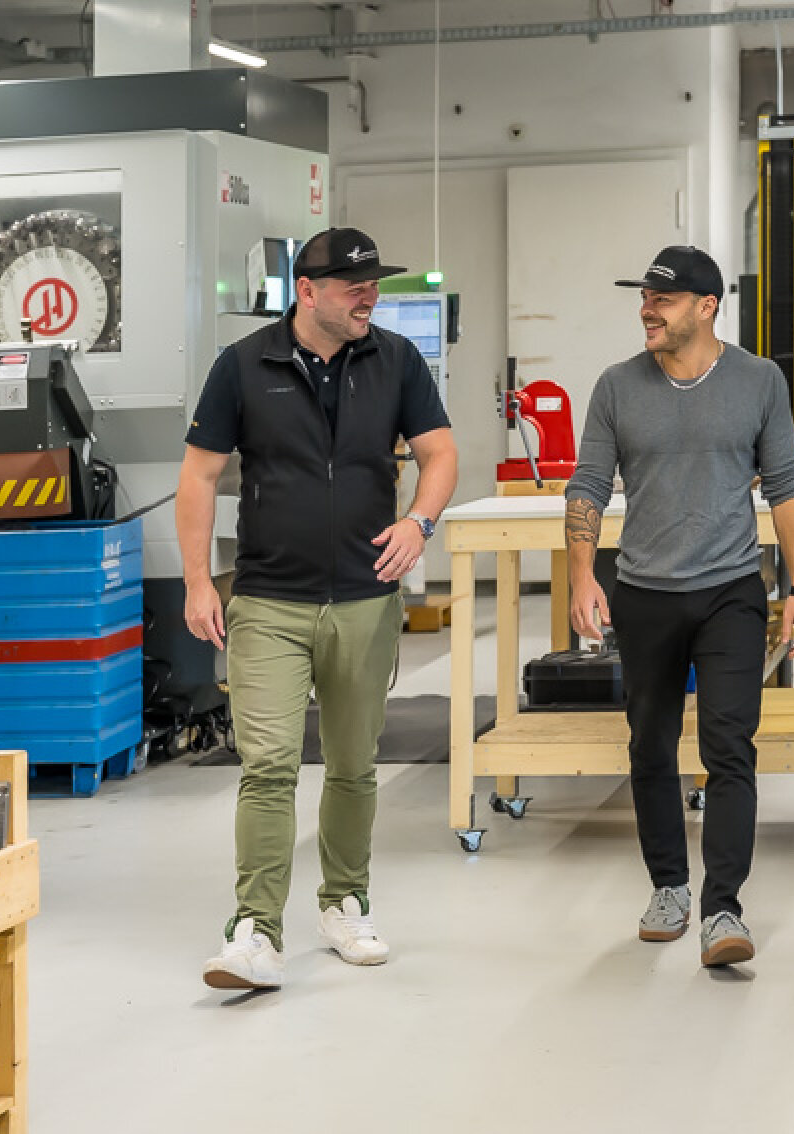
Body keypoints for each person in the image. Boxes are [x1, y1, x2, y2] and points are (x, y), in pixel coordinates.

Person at [177, 227, 459, 991]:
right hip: (268, 598)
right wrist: (200, 582)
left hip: (366, 599)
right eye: (353, 284)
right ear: (308, 291)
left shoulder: (396, 360)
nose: (371, 296)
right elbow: (199, 477)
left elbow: (440, 454)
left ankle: (344, 902)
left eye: (375, 284)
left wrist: (419, 522)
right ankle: (255, 930)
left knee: (353, 765)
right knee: (267, 765)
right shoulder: (242, 366)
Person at [563, 245, 794, 968]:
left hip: (732, 589)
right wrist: (583, 577)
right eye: (643, 297)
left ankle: (723, 907)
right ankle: (668, 886)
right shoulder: (615, 386)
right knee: (649, 744)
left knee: (729, 746)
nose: (647, 308)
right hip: (643, 593)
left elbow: (787, 486)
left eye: (662, 300)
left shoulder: (759, 380)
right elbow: (587, 488)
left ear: (706, 307)